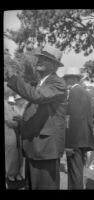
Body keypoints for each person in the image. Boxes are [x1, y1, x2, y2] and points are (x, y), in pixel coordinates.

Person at [7, 44, 67, 190]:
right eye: (39, 58)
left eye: (44, 59)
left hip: (46, 149)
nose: (38, 61)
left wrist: (12, 77)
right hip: (36, 147)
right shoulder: (42, 83)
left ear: (54, 65)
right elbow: (41, 113)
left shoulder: (57, 83)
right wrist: (22, 122)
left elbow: (36, 97)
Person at [63, 68, 94, 189]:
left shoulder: (74, 92)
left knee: (74, 174)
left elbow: (73, 119)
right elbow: (93, 116)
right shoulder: (86, 93)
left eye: (66, 79)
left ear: (72, 79)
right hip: (83, 140)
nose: (65, 81)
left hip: (75, 141)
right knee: (77, 172)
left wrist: (69, 144)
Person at [4, 82, 23, 188]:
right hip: (8, 134)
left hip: (12, 135)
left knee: (13, 156)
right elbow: (9, 122)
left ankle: (11, 174)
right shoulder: (5, 104)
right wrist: (19, 122)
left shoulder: (7, 104)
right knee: (9, 156)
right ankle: (9, 175)